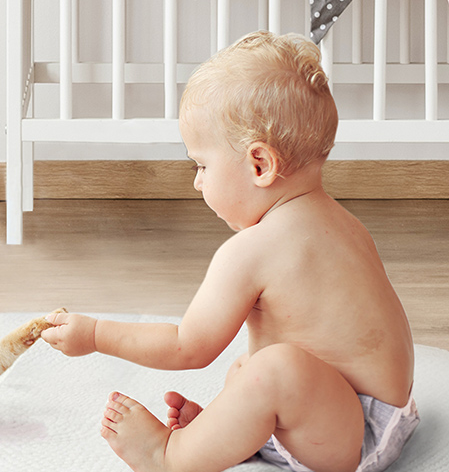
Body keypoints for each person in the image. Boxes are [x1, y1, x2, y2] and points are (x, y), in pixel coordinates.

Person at [41, 31, 418, 472]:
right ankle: (224, 436)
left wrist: (95, 335)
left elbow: (187, 348)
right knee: (251, 366)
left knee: (270, 370)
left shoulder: (251, 250)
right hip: (384, 415)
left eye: (202, 165)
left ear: (260, 165)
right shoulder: (344, 224)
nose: (198, 181)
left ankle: (170, 456)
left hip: (349, 437)